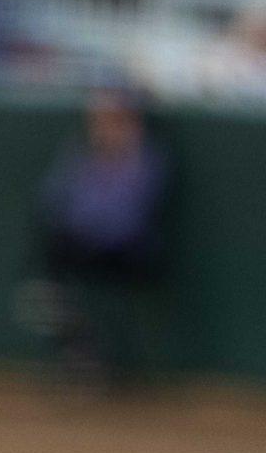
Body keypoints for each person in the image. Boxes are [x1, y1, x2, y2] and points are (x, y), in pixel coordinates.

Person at [27, 87, 169, 385]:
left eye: (114, 119)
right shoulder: (81, 153)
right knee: (51, 256)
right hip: (82, 247)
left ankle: (95, 357)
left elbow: (127, 219)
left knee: (70, 252)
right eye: (100, 119)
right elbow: (55, 201)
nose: (105, 126)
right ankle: (79, 349)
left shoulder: (147, 159)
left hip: (126, 252)